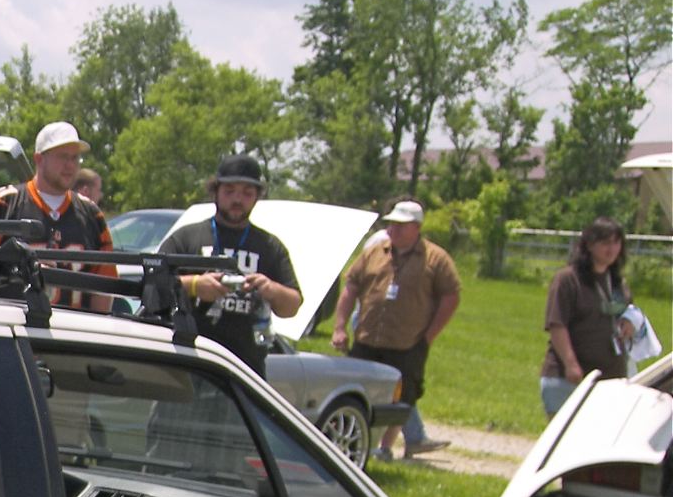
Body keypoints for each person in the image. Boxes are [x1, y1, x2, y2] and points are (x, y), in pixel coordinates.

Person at [331, 199, 461, 459]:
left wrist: (429, 336)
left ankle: (385, 448)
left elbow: (451, 296)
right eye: (391, 224)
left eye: (401, 225)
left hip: (407, 343)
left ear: (417, 227)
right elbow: (351, 287)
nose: (393, 229)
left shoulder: (436, 259)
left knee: (403, 397)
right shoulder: (374, 252)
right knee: (356, 392)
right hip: (367, 339)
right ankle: (354, 443)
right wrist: (340, 327)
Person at [155, 153, 301, 376]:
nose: (237, 199)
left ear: (257, 197)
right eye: (229, 191)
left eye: (247, 193)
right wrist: (194, 286)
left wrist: (271, 289)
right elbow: (152, 286)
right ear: (215, 191)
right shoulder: (186, 237)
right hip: (187, 365)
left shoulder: (270, 246)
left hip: (245, 371)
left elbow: (292, 307)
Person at [0, 121, 114, 311]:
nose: (70, 165)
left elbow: (104, 286)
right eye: (62, 156)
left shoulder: (92, 215)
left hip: (74, 327)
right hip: (12, 326)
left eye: (75, 157)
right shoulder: (1, 205)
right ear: (39, 159)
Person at [540, 217, 637, 417]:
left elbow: (629, 312)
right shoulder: (567, 279)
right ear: (589, 245)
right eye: (606, 243)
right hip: (569, 381)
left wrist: (631, 322)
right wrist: (571, 364)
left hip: (611, 381)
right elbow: (557, 325)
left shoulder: (618, 283)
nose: (612, 249)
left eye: (616, 242)